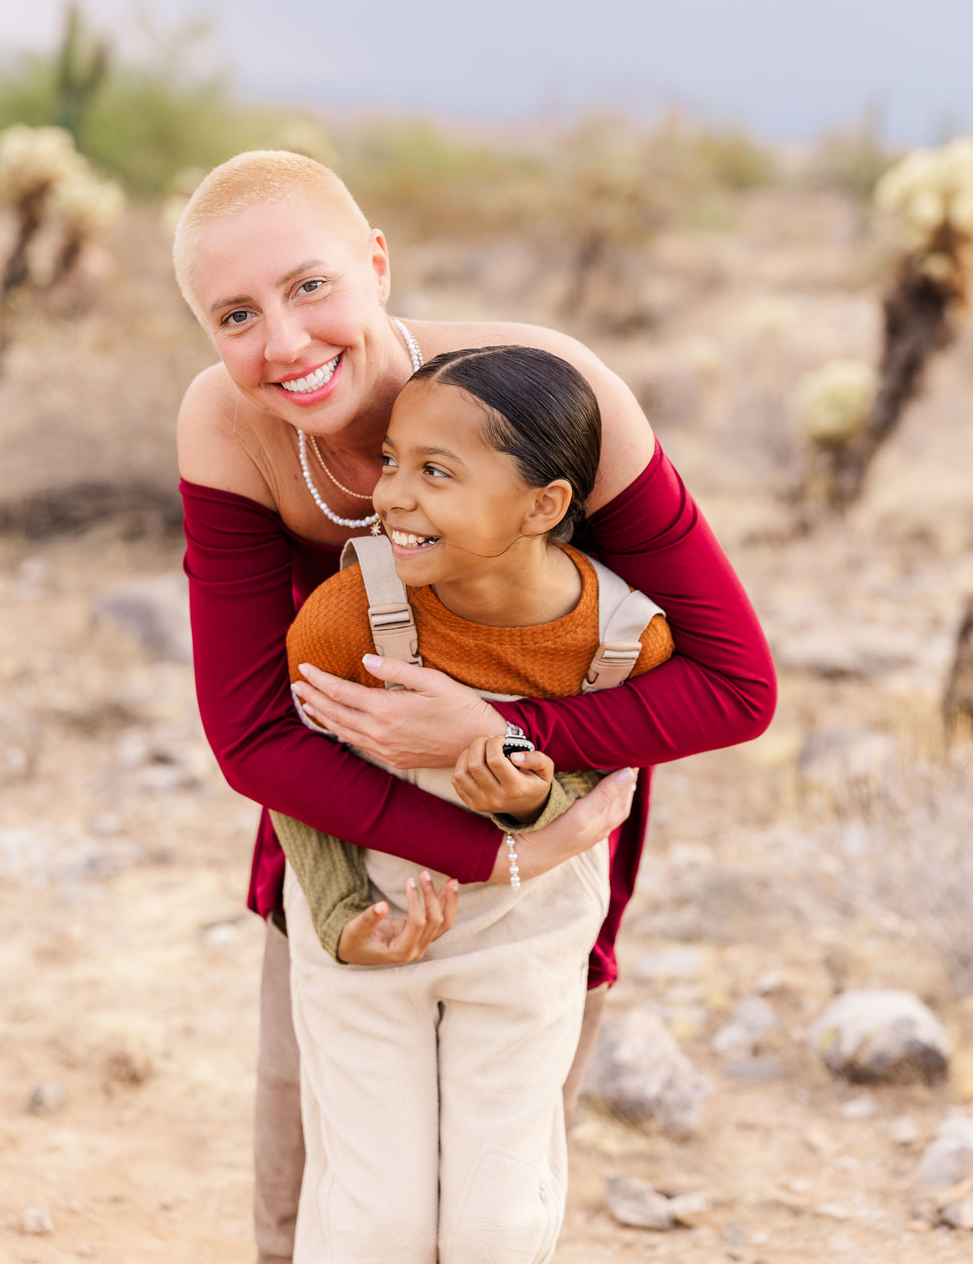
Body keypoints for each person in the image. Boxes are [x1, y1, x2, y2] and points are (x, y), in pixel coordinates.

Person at [174, 150, 776, 1264]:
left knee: (500, 1174)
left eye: (311, 287)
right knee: (318, 1177)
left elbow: (737, 684)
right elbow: (254, 732)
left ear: (377, 263)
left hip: (551, 799)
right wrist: (463, 850)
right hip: (342, 799)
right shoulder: (228, 423)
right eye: (236, 315)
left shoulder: (543, 396)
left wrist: (506, 748)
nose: (285, 343)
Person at [276, 344, 675, 1262]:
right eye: (391, 462)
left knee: (497, 1227)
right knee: (375, 1223)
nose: (392, 496)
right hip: (369, 927)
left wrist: (534, 794)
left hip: (527, 937)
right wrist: (340, 918)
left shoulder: (623, 641)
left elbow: (606, 791)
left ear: (544, 505)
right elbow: (292, 770)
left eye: (437, 471)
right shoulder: (350, 614)